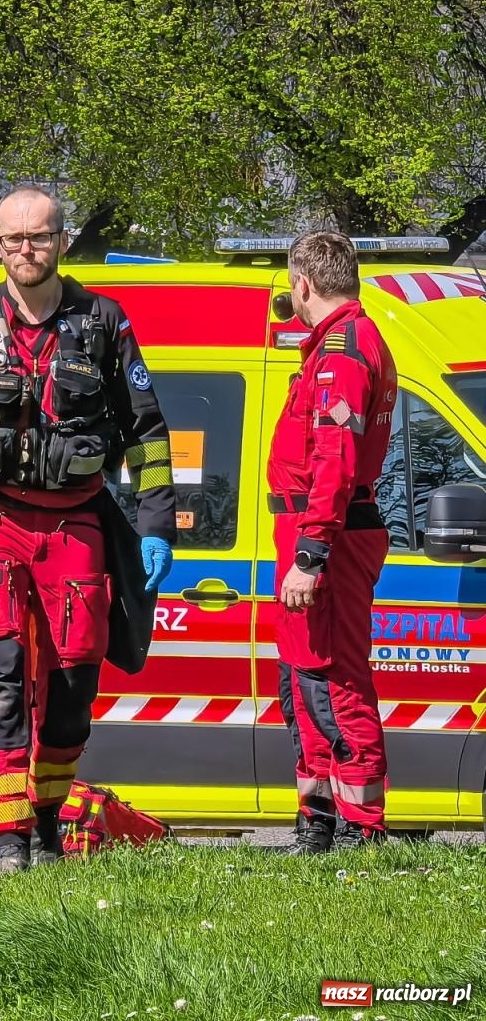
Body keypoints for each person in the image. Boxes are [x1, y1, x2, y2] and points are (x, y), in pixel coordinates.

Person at [0, 187, 177, 876]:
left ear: (62, 241)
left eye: (37, 238)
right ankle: (7, 837)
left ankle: (38, 817)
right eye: (11, 239)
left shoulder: (104, 321)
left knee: (75, 678)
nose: (24, 250)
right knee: (0, 678)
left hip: (77, 519)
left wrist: (158, 520)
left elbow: (147, 431)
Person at [266, 229, 397, 852]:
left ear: (303, 284)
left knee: (334, 677)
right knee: (303, 677)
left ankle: (359, 828)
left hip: (326, 531)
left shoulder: (340, 351)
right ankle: (318, 819)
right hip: (317, 526)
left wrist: (310, 553)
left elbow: (335, 459)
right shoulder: (339, 344)